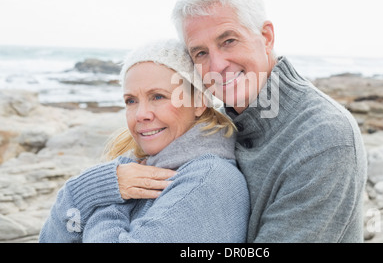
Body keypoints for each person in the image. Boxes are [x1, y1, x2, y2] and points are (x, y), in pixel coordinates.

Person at [168, 0, 368, 242]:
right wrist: (110, 181)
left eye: (228, 40)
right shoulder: (217, 126)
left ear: (266, 37)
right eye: (201, 53)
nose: (217, 65)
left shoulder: (325, 138)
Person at [39, 38, 250, 243]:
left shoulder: (208, 180)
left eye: (158, 96)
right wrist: (82, 191)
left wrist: (107, 198)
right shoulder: (131, 170)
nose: (141, 114)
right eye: (131, 101)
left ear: (199, 103)